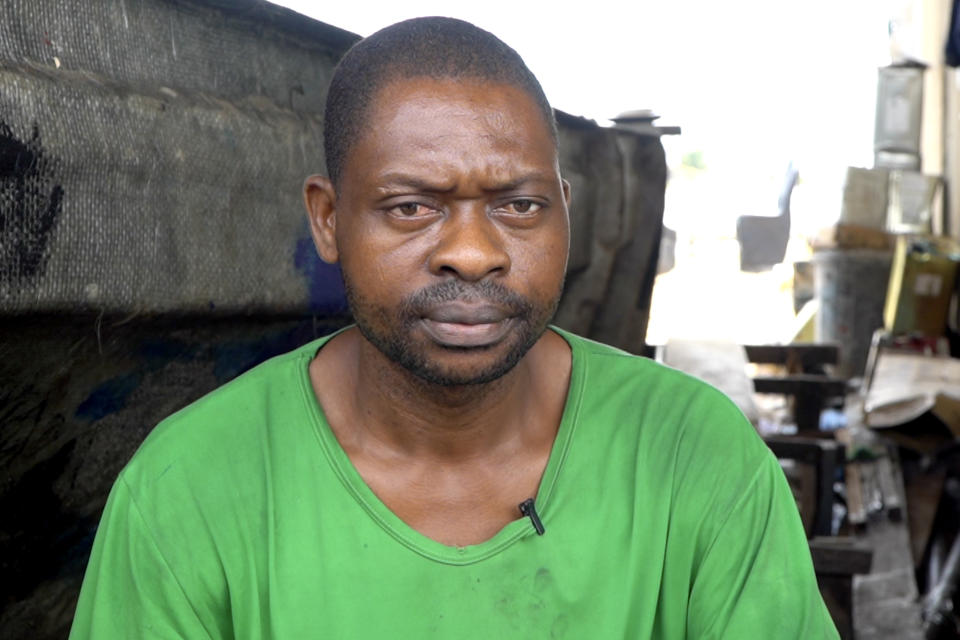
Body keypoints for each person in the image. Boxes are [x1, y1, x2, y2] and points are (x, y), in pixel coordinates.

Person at [70, 16, 838, 639]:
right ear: (329, 219)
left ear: (567, 210)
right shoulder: (190, 489)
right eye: (411, 206)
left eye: (519, 206)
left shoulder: (695, 456)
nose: (472, 254)